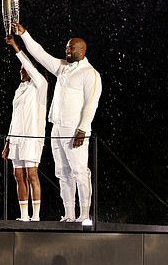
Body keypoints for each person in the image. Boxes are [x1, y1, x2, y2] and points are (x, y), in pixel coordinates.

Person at [13, 22, 102, 223]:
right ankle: (70, 213)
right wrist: (24, 34)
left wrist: (82, 129)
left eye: (71, 48)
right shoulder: (62, 68)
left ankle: (85, 215)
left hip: (75, 130)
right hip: (57, 128)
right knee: (62, 172)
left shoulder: (90, 74)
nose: (67, 50)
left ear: (83, 50)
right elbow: (40, 54)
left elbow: (91, 104)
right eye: (67, 47)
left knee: (80, 171)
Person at [2, 35, 48, 221]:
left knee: (32, 174)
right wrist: (7, 142)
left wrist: (15, 45)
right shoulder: (19, 90)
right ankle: (24, 215)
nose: (21, 71)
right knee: (18, 175)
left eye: (24, 68)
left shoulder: (40, 87)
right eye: (21, 69)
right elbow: (14, 118)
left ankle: (36, 216)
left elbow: (28, 64)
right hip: (17, 138)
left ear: (32, 70)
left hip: (33, 137)